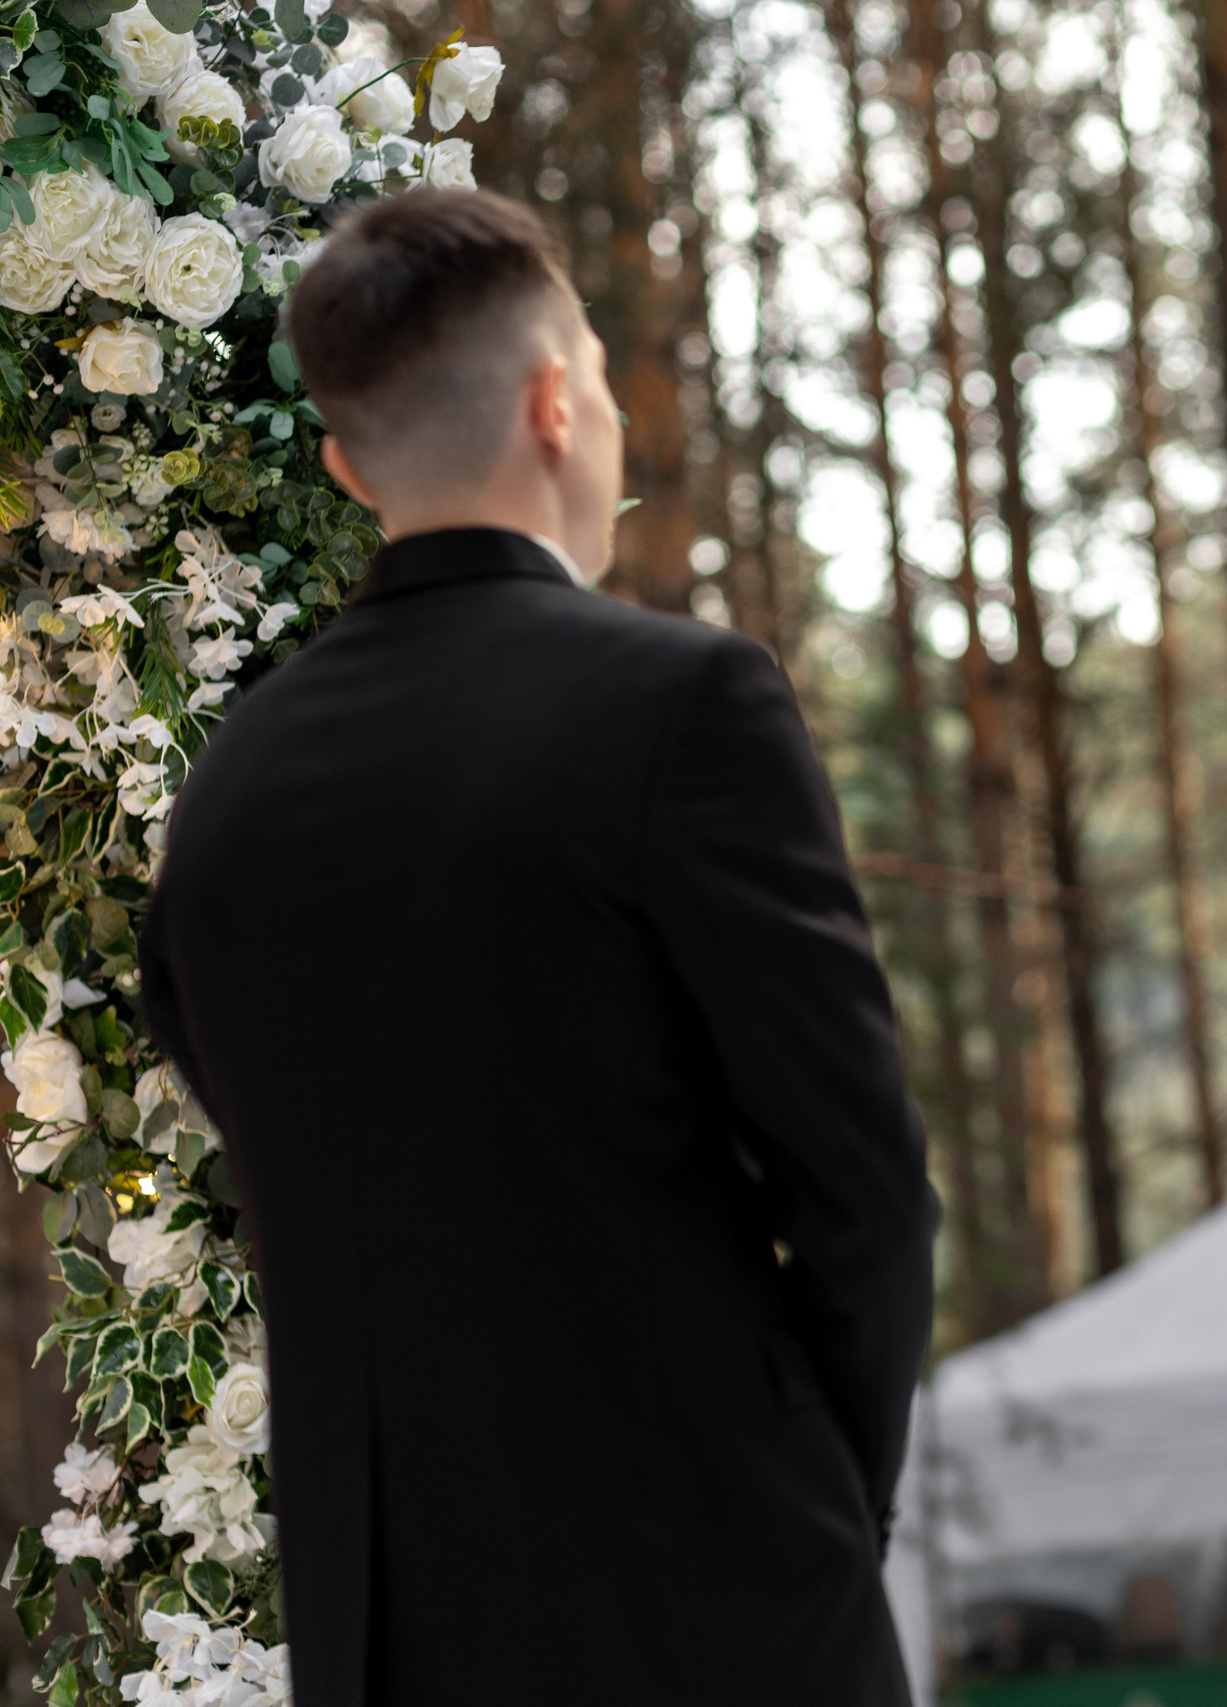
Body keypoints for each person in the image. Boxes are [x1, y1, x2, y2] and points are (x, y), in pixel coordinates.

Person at [138, 190, 938, 1706]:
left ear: (344, 461)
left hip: (390, 1636)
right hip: (715, 1595)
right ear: (559, 400)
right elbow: (864, 1189)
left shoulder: (228, 791)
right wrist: (827, 1500)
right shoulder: (682, 705)